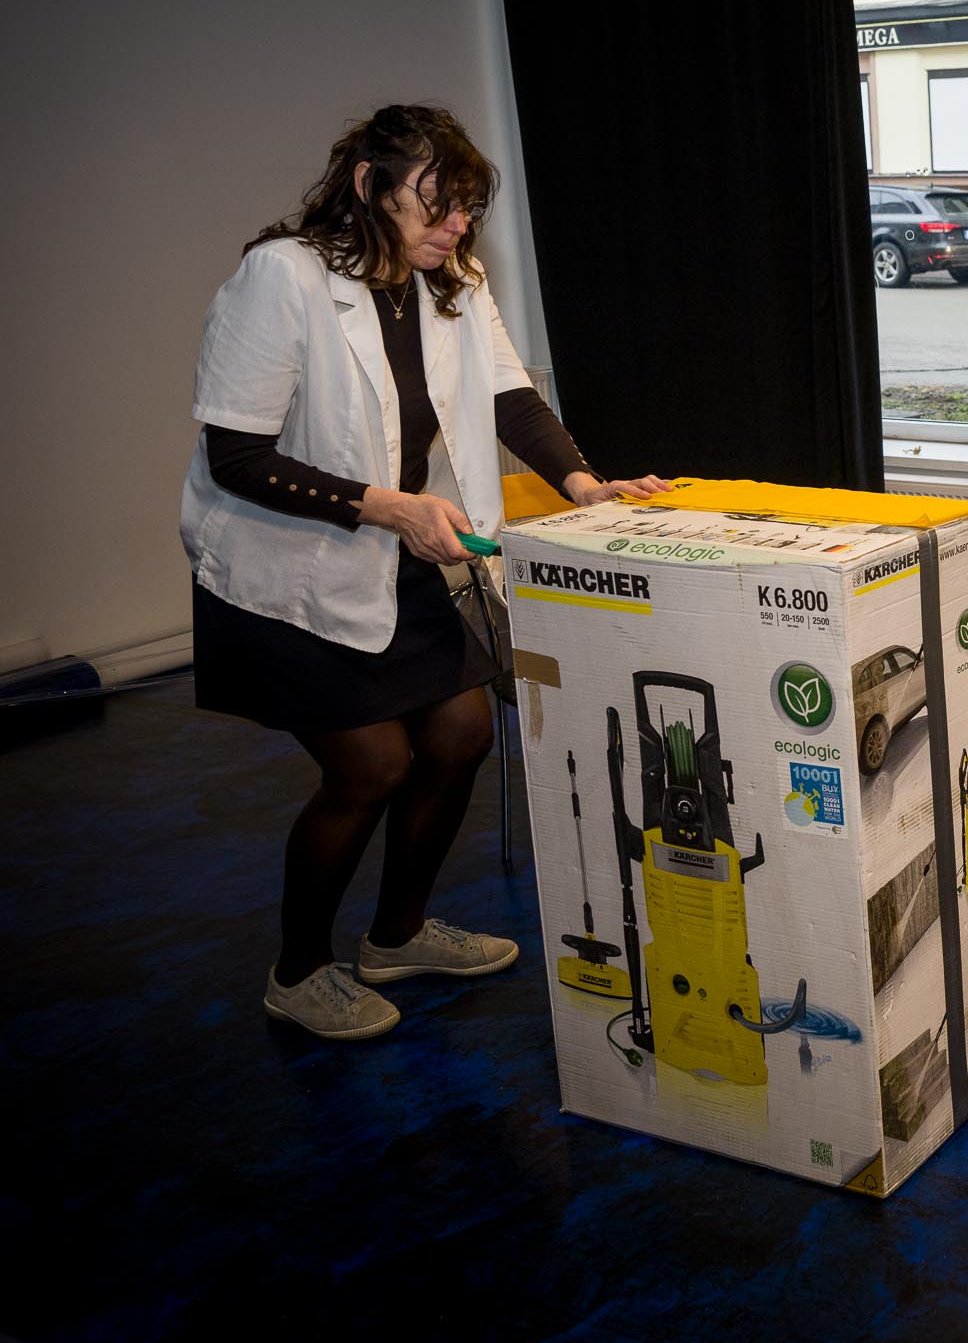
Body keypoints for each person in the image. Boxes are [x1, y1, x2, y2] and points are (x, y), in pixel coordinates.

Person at [180, 104, 667, 1041]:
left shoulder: (453, 279)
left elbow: (511, 396)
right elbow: (234, 456)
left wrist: (583, 484)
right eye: (436, 203)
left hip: (395, 548)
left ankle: (397, 935)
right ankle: (298, 971)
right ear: (369, 185)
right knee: (373, 765)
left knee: (462, 733)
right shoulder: (282, 277)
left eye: (467, 209)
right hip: (284, 564)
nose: (456, 226)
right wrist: (390, 506)